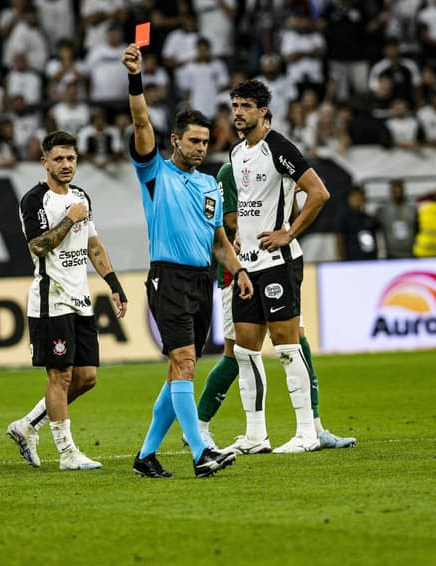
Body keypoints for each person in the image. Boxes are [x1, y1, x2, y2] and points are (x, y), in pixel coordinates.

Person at [122, 43, 251, 478]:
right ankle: (201, 453)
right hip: (168, 278)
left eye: (205, 141)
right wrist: (135, 77)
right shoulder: (155, 173)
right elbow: (141, 120)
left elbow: (218, 242)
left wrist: (238, 269)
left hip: (203, 282)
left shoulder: (211, 186)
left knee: (180, 369)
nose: (200, 147)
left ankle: (146, 456)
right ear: (174, 140)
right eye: (193, 141)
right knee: (184, 363)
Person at [195, 146, 356, 452]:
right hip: (238, 271)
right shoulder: (230, 171)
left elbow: (288, 218)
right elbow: (230, 222)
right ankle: (201, 427)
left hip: (277, 265)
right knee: (236, 354)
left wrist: (288, 200)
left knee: (298, 342)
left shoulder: (278, 169)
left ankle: (315, 426)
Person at [6, 130, 128, 471]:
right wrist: (69, 218)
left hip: (81, 299)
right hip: (51, 299)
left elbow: (93, 246)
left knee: (87, 377)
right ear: (44, 162)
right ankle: (67, 453)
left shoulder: (81, 196)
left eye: (71, 158)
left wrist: (115, 284)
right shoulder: (34, 200)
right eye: (58, 159)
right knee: (59, 377)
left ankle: (28, 425)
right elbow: (38, 246)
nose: (65, 165)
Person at [224, 78, 331, 455]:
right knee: (245, 351)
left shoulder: (278, 147)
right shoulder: (237, 154)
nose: (238, 113)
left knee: (287, 346)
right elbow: (252, 206)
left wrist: (288, 232)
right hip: (247, 264)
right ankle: (256, 435)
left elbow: (318, 193)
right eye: (235, 105)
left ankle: (306, 432)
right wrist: (241, 237)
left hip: (277, 263)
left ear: (263, 111)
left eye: (246, 106)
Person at [375, 179, 417, 259]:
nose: (397, 193)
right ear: (390, 191)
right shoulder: (383, 210)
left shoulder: (412, 209)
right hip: (391, 254)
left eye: (399, 190)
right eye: (394, 190)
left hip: (411, 252)